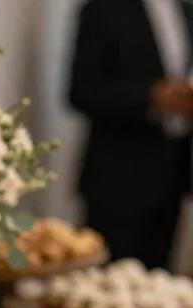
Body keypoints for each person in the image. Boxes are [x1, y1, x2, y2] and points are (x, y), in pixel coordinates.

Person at [69, 0, 193, 269]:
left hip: (173, 171)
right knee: (106, 287)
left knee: (159, 286)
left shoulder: (186, 10)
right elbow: (80, 91)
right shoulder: (102, 9)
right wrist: (151, 96)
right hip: (117, 178)